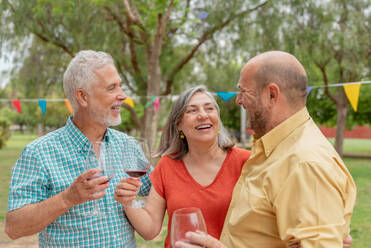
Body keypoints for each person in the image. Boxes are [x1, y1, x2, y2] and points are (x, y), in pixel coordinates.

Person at [175, 51, 357, 248]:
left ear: (271, 95)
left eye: (243, 91)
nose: (238, 101)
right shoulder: (276, 148)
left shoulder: (305, 163)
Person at [5, 50, 152, 247]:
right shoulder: (38, 153)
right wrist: (67, 198)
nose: (123, 95)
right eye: (111, 88)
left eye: (120, 86)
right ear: (83, 97)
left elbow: (159, 188)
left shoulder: (128, 145)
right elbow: (14, 227)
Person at [114, 85, 251, 247]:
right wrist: (128, 202)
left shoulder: (247, 162)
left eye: (209, 108)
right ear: (179, 124)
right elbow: (150, 229)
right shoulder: (167, 166)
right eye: (192, 110)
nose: (202, 115)